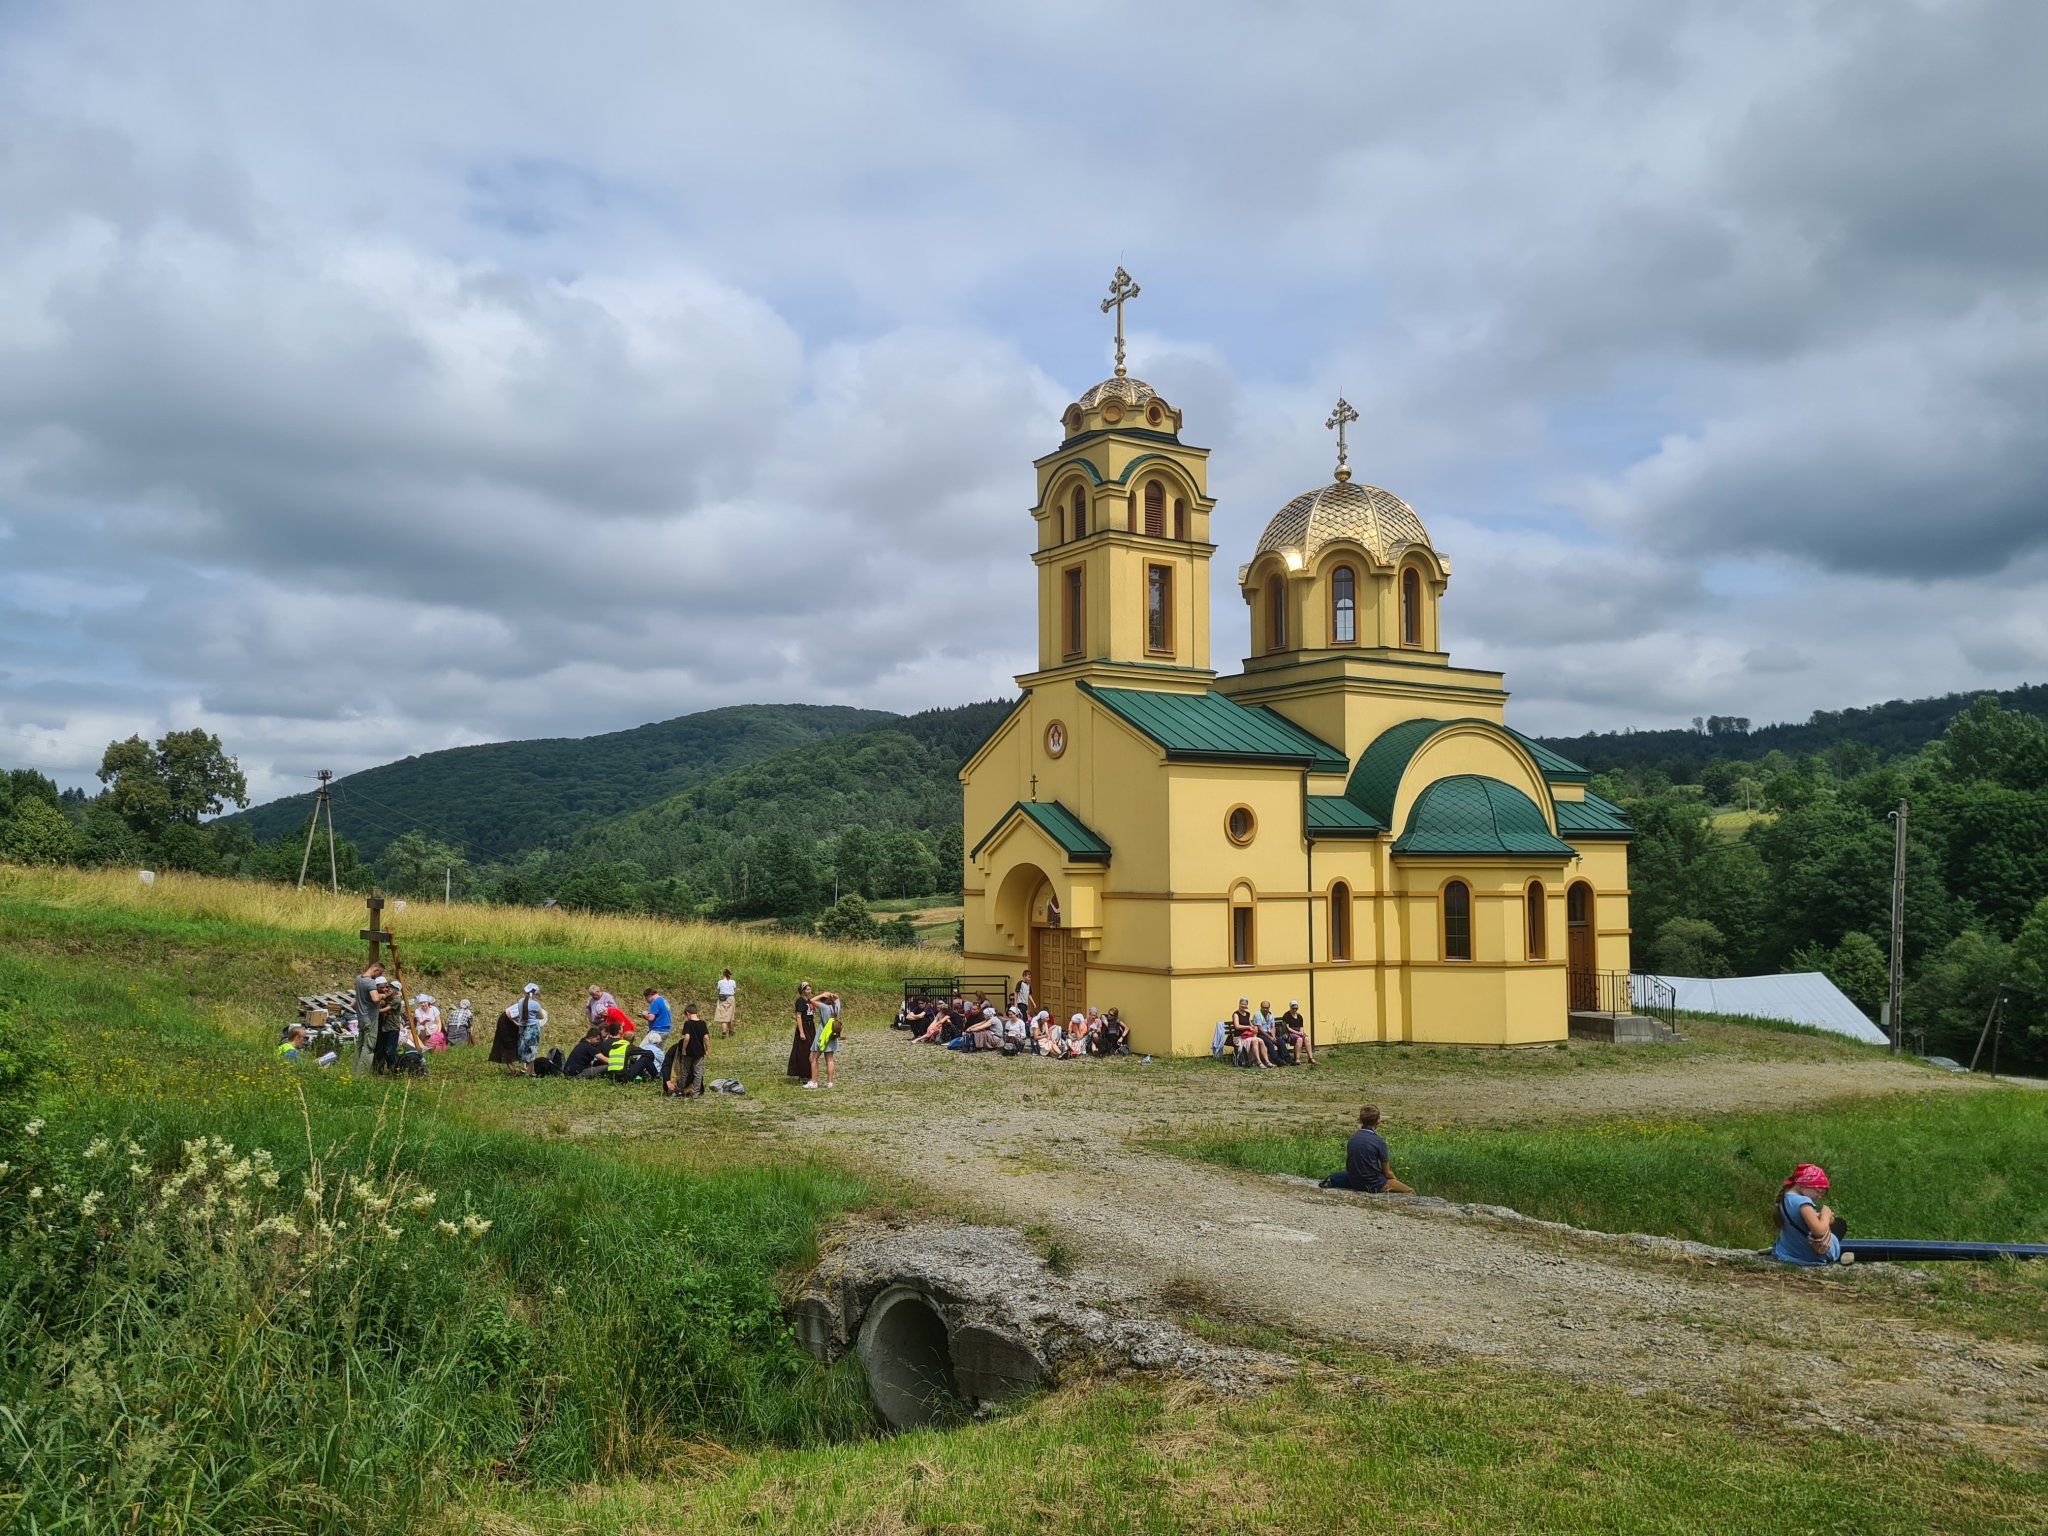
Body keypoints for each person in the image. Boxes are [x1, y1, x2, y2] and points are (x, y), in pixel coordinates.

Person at [1320, 1106, 1415, 1194]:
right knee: (1410, 1191)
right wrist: (1395, 1180)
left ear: (1360, 1120)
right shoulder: (1379, 1141)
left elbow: (1350, 1165)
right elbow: (1388, 1173)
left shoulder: (1353, 1138)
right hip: (1374, 1184)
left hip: (1355, 1181)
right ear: (1378, 1121)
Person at [1773, 1164, 1850, 1265]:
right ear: (1804, 1184)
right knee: (1840, 1225)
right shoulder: (1803, 1202)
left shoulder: (1785, 1197)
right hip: (1805, 1256)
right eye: (1818, 1192)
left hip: (1787, 1252)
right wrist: (1825, 1215)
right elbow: (1819, 1232)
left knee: (1836, 1224)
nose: (1819, 1196)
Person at [668, 1003, 711, 1098]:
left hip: (689, 1052)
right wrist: (707, 1049)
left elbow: (687, 1037)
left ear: (688, 1014)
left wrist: (684, 1049)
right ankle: (695, 1093)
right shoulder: (703, 1023)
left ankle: (679, 1090)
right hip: (700, 1052)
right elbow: (706, 1038)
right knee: (698, 1073)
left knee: (684, 1072)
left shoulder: (688, 1024)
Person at [508, 983, 547, 1077]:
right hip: (532, 1029)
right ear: (534, 993)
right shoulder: (535, 1004)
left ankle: (525, 1068)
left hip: (522, 1028)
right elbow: (541, 1016)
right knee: (532, 1050)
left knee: (524, 1049)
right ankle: (528, 1073)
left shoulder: (521, 1001)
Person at [812, 991, 844, 1087]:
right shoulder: (836, 1007)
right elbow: (837, 997)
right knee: (830, 1059)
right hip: (832, 1036)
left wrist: (822, 994)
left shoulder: (824, 1007)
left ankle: (813, 1081)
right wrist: (832, 994)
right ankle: (830, 1082)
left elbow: (812, 1000)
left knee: (814, 1059)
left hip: (823, 1035)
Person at [788, 983, 818, 1084]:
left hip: (811, 1026)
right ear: (802, 991)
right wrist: (801, 1032)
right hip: (804, 1026)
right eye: (807, 990)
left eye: (810, 989)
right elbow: (799, 1016)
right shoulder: (800, 1001)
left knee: (811, 1049)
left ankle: (810, 1072)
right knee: (803, 1051)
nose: (809, 991)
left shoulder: (810, 1001)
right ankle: (803, 1074)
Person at [1279, 1001, 1316, 1066]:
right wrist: (1297, 1033)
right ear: (1290, 1007)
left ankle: (1310, 1057)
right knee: (1299, 1039)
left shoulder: (1299, 1016)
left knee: (1307, 1038)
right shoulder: (1287, 1015)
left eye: (1296, 1008)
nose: (1295, 1010)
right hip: (1290, 1032)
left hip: (1299, 1031)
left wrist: (1301, 1032)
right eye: (1293, 1008)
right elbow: (1288, 1028)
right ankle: (1297, 1058)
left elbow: (1301, 1027)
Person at [715, 968, 738, 1037]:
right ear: (730, 975)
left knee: (723, 1017)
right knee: (730, 1016)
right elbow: (734, 991)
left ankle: (724, 1033)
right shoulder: (733, 982)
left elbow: (718, 990)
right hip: (730, 998)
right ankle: (731, 1031)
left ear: (723, 974)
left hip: (722, 999)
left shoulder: (720, 982)